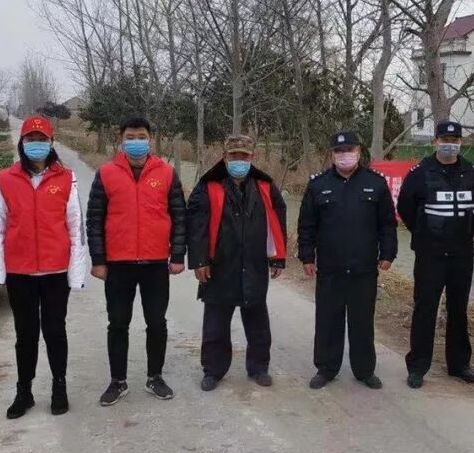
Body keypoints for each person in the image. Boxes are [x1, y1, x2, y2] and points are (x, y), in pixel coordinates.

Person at [0, 115, 87, 419]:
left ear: (51, 143)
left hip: (55, 272)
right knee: (26, 334)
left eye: (42, 140)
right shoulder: (6, 179)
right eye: (30, 140)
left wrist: (76, 273)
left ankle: (59, 386)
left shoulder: (66, 178)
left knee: (55, 331)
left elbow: (76, 227)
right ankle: (24, 391)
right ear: (22, 143)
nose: (36, 145)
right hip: (20, 272)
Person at [86, 116, 187, 406]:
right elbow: (95, 219)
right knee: (118, 322)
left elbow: (179, 216)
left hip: (155, 263)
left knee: (156, 322)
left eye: (141, 137)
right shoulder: (106, 173)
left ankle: (155, 377)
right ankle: (117, 381)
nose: (136, 142)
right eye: (130, 137)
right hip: (118, 264)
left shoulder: (166, 173)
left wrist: (177, 255)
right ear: (121, 140)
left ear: (150, 140)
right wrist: (98, 259)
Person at [186, 135, 287, 391]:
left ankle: (259, 367)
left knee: (257, 321)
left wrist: (278, 257)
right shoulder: (208, 185)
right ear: (224, 157)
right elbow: (196, 226)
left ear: (252, 158)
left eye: (244, 156)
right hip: (219, 265)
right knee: (216, 323)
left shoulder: (265, 186)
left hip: (254, 264)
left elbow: (277, 220)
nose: (239, 160)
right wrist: (199, 260)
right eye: (234, 156)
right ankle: (213, 370)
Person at [298, 130, 397, 390]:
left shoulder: (375, 183)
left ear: (359, 152)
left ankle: (364, 370)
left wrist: (388, 253)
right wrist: (307, 256)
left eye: (349, 150)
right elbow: (307, 225)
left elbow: (387, 224)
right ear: (332, 155)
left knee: (362, 322)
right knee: (328, 321)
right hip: (330, 268)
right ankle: (326, 369)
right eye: (339, 151)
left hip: (364, 268)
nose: (345, 156)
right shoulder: (318, 185)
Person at [396, 120, 474, 389]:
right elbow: (405, 207)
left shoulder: (470, 171)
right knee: (426, 308)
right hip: (430, 253)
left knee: (458, 308)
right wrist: (425, 232)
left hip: (461, 253)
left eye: (455, 140)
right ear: (435, 142)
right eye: (445, 140)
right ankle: (418, 367)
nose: (450, 145)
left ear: (461, 142)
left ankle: (459, 365)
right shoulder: (419, 173)